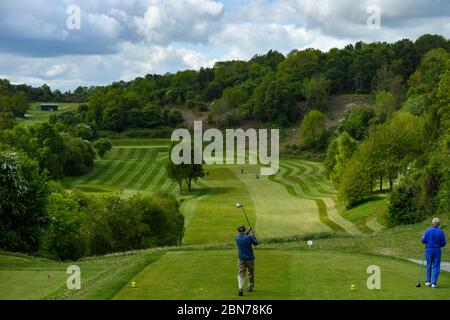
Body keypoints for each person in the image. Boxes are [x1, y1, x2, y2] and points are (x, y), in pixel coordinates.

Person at [421, 217, 446, 288]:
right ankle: (433, 283)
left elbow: (423, 241)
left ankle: (428, 281)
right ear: (439, 224)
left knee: (429, 265)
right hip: (437, 250)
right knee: (436, 266)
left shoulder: (428, 230)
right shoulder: (441, 232)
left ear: (432, 223)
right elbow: (443, 244)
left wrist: (423, 237)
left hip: (429, 250)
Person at [235, 226, 258, 296]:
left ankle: (240, 288)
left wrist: (249, 232)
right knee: (250, 272)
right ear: (244, 231)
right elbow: (256, 243)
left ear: (238, 231)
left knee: (241, 273)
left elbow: (244, 236)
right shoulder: (249, 237)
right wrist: (252, 234)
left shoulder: (237, 238)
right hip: (250, 258)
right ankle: (251, 286)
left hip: (241, 258)